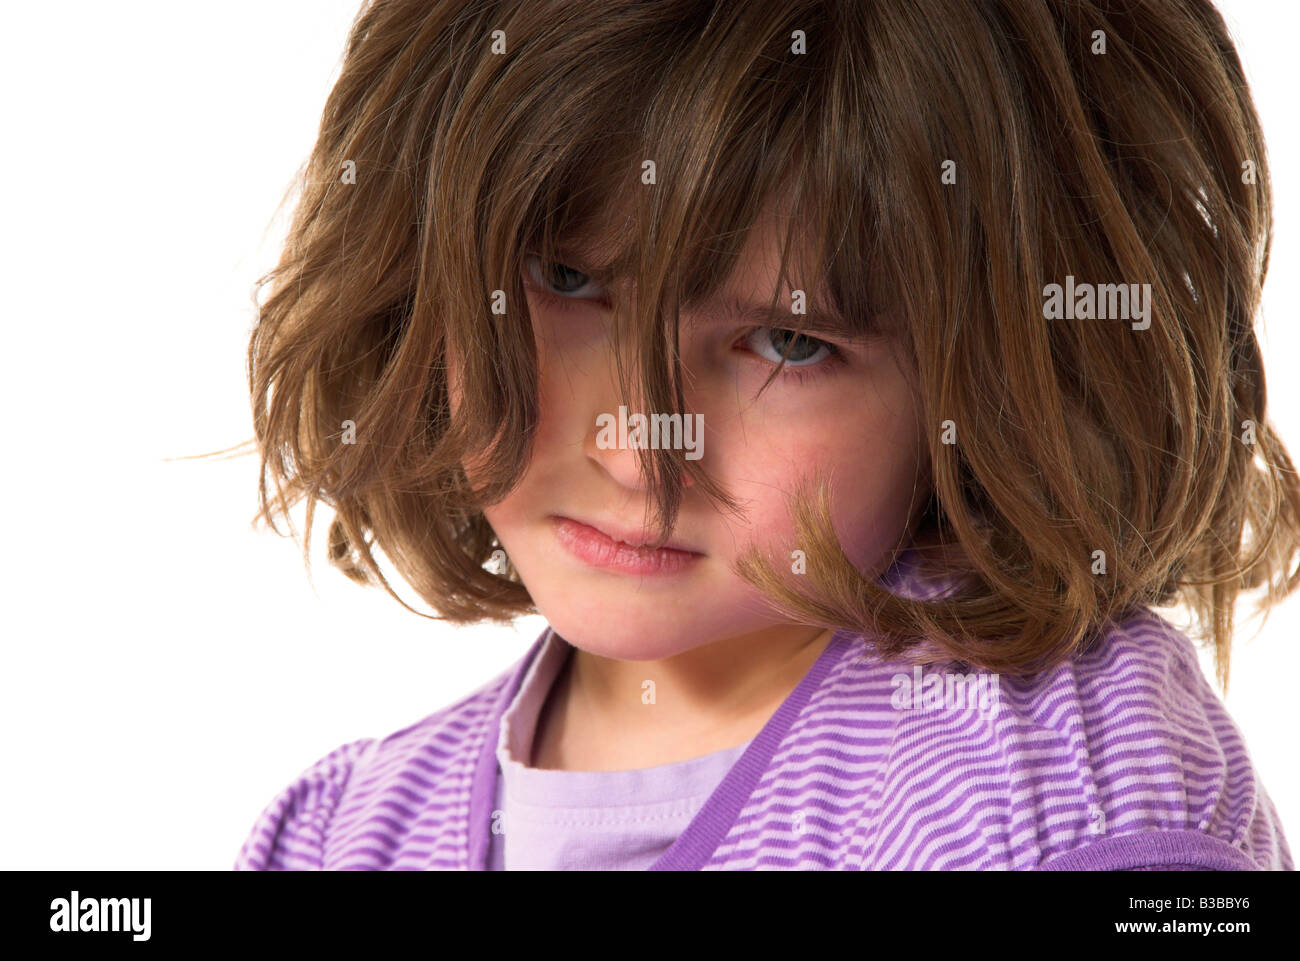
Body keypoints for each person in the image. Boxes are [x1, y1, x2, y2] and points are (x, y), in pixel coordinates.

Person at [231, 0, 1296, 870]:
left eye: (787, 342)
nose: (638, 451)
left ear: (1003, 380)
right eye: (566, 282)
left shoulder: (1052, 778)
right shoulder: (339, 835)